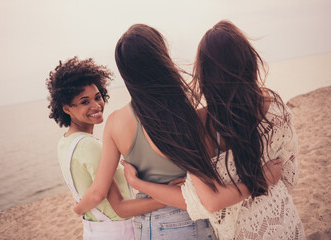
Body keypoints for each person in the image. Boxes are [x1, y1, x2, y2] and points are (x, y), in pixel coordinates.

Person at [73, 24, 281, 240]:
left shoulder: (115, 123)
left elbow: (114, 203)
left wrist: (79, 208)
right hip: (201, 217)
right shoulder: (190, 110)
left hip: (153, 225)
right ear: (161, 57)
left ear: (126, 72)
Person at [121, 20, 305, 240]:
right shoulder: (274, 105)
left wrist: (137, 183)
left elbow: (207, 202)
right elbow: (289, 172)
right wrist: (264, 181)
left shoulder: (197, 128)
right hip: (285, 218)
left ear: (204, 73)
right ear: (249, 61)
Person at [46, 57, 166, 240]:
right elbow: (110, 202)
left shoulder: (65, 142)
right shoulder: (89, 145)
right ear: (67, 109)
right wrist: (166, 199)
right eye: (84, 101)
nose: (96, 105)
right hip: (118, 231)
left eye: (98, 97)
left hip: (94, 230)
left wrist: (79, 208)